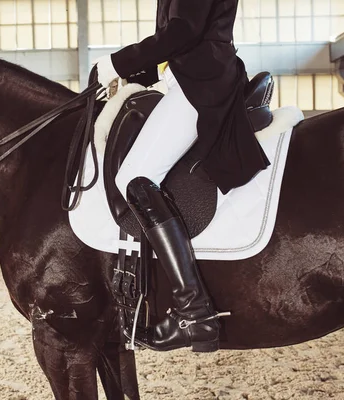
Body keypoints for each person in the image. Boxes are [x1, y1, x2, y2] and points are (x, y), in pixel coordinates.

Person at [96, 0, 270, 353]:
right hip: (188, 76)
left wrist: (117, 62)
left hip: (201, 83)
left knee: (135, 178)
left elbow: (184, 31)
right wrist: (135, 73)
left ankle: (193, 313)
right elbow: (177, 39)